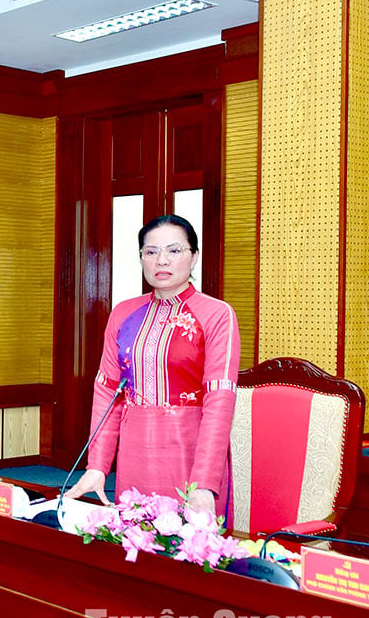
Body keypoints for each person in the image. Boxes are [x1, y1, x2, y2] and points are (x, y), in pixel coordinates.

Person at [65, 214, 240, 520]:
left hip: (190, 457)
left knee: (190, 553)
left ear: (194, 257)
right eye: (151, 252)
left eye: (174, 251)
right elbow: (107, 393)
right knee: (132, 542)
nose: (161, 260)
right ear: (141, 257)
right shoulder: (123, 313)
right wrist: (97, 466)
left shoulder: (217, 314)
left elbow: (219, 401)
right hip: (136, 454)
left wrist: (204, 484)